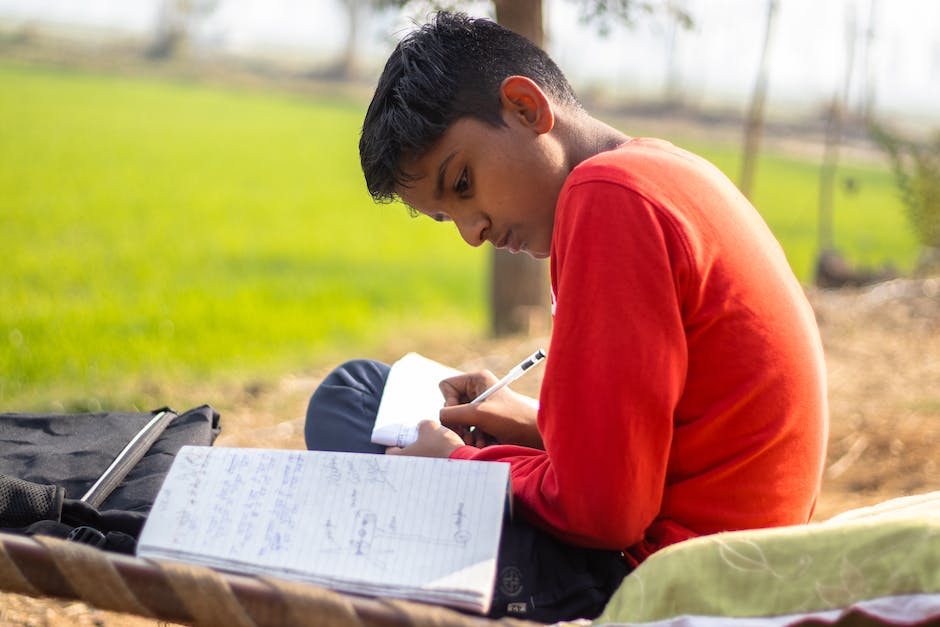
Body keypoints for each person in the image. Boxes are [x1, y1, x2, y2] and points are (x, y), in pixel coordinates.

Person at [305, 10, 829, 622]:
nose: (473, 233)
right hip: (729, 546)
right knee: (366, 393)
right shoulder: (658, 170)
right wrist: (534, 424)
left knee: (349, 408)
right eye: (449, 218)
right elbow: (662, 440)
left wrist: (454, 466)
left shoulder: (606, 200)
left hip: (666, 573)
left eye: (464, 182)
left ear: (526, 108)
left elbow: (607, 512)